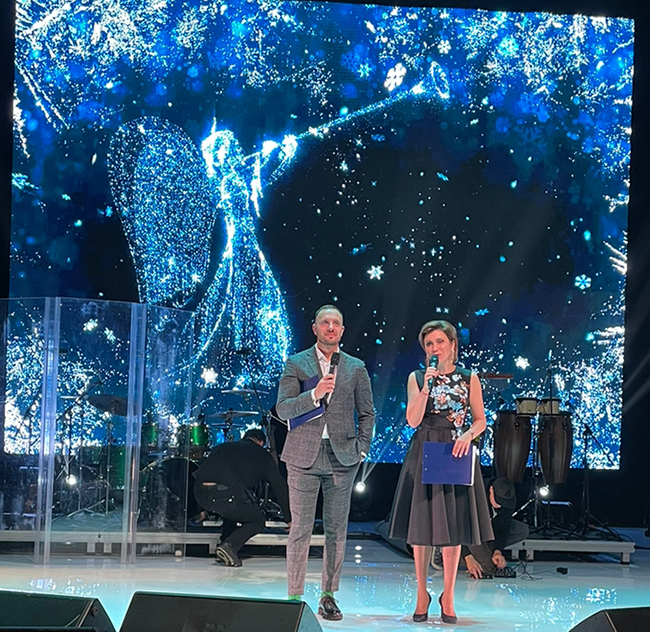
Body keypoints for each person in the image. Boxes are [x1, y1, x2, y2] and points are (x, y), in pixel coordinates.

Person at [389, 320, 493, 624]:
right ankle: (422, 592)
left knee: (452, 525)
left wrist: (467, 436)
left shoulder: (469, 377)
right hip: (424, 449)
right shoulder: (417, 377)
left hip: (455, 451)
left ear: (453, 345)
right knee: (421, 528)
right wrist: (426, 388)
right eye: (429, 344)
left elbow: (481, 420)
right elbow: (412, 420)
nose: (434, 348)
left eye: (440, 342)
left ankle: (448, 595)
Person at [276, 304, 375, 621]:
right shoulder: (296, 363)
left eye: (336, 323)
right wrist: (314, 394)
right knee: (300, 529)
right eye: (325, 323)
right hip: (302, 456)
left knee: (336, 530)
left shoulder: (355, 367)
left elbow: (367, 413)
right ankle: (294, 597)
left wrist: (361, 448)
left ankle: (328, 595)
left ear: (342, 331)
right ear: (315, 328)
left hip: (342, 457)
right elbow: (283, 409)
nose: (330, 327)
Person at [193, 428, 291, 567]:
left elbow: (205, 472)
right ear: (261, 442)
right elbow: (279, 486)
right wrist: (289, 518)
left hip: (200, 494)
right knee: (257, 520)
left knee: (232, 511)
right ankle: (229, 546)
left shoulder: (222, 447)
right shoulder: (262, 454)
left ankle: (224, 544)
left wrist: (201, 510)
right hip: (225, 492)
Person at [462, 477, 529, 578]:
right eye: (498, 501)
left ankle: (484, 555)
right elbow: (461, 528)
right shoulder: (475, 496)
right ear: (491, 490)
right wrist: (467, 556)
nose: (499, 506)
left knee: (522, 530)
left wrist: (498, 550)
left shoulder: (508, 501)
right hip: (469, 533)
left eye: (503, 503)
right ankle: (462, 557)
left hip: (488, 532)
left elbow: (503, 528)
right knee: (489, 567)